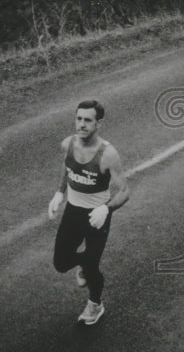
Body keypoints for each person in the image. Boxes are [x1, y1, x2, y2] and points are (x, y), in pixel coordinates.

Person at [48, 99, 130, 325]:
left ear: (98, 124)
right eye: (79, 118)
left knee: (92, 265)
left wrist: (107, 208)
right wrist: (59, 193)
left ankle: (95, 304)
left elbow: (125, 191)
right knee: (61, 264)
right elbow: (67, 168)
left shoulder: (108, 154)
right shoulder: (68, 144)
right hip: (73, 211)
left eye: (88, 120)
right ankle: (84, 266)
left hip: (97, 216)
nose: (82, 124)